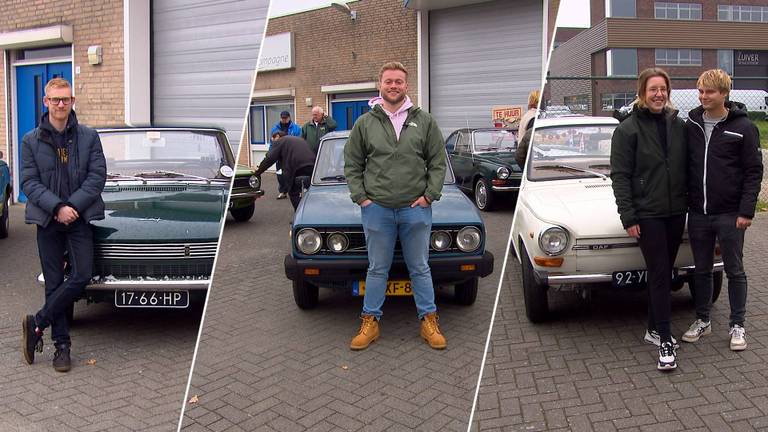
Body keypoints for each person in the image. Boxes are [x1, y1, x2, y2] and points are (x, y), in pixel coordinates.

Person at [344, 61, 447, 350]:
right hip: (377, 210)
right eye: (388, 81)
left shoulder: (424, 120)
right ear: (380, 84)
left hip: (416, 209)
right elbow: (352, 163)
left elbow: (437, 163)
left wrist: (429, 196)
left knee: (420, 268)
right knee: (377, 269)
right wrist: (362, 197)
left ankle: (429, 321)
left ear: (406, 85)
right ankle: (370, 322)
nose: (393, 86)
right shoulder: (365, 123)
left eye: (398, 81)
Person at [21, 77, 107, 372]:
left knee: (82, 275)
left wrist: (72, 207)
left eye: (66, 99)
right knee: (54, 282)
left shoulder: (88, 136)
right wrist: (57, 207)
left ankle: (38, 323)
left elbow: (97, 176)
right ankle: (62, 347)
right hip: (47, 220)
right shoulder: (30, 140)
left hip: (79, 217)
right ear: (45, 102)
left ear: (72, 102)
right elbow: (29, 182)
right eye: (55, 99)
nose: (61, 104)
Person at [610, 68, 687, 371]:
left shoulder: (678, 125)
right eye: (653, 89)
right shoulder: (627, 130)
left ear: (668, 93)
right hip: (648, 213)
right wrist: (628, 216)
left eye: (663, 89)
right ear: (642, 93)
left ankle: (654, 329)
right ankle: (666, 340)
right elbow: (620, 176)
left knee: (665, 271)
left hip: (675, 211)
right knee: (658, 273)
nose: (658, 94)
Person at [681, 69, 763, 351]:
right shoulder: (690, 124)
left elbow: (754, 172)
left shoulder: (743, 128)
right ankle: (703, 320)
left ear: (724, 94)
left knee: (735, 270)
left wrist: (746, 211)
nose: (704, 96)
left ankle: (737, 325)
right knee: (701, 270)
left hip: (730, 214)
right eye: (701, 91)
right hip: (698, 213)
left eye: (710, 92)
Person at [255, 134, 315, 210]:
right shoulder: (296, 139)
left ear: (277, 138)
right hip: (312, 165)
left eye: (272, 141)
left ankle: (300, 215)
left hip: (296, 167)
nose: (272, 144)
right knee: (312, 191)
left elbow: (270, 159)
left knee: (294, 192)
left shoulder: (279, 142)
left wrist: (258, 171)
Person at [270, 111, 301, 199]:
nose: (284, 119)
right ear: (280, 118)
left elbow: (299, 141)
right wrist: (270, 154)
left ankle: (296, 191)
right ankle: (283, 191)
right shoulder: (275, 129)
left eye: (286, 118)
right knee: (280, 174)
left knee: (294, 174)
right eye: (282, 118)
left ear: (289, 118)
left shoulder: (296, 128)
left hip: (291, 155)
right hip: (280, 156)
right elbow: (272, 143)